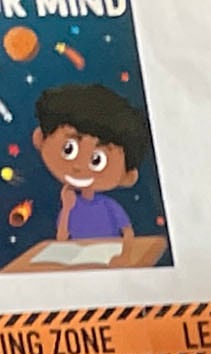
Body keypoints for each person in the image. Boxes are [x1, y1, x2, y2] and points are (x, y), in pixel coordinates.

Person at [30, 86, 150, 242]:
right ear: (40, 139)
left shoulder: (108, 206)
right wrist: (66, 208)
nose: (79, 167)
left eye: (96, 160)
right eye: (69, 149)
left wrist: (123, 256)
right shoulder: (71, 207)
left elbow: (128, 233)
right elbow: (61, 238)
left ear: (127, 176)